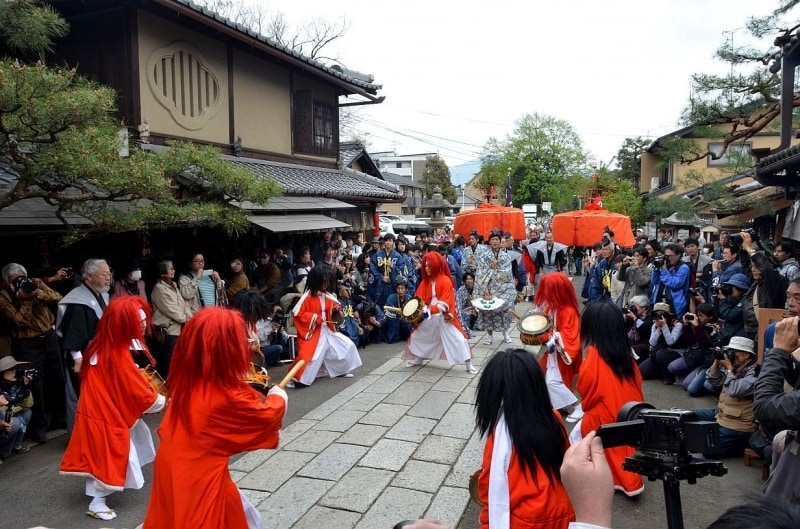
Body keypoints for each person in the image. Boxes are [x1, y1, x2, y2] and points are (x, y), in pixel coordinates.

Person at [142, 307, 287, 529]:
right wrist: (278, 396)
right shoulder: (222, 395)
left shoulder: (190, 381)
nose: (246, 340)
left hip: (176, 464)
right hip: (198, 474)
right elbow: (266, 417)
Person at [60, 296, 166, 521]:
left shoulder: (104, 344)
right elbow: (136, 391)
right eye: (140, 321)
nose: (144, 324)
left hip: (99, 409)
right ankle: (97, 501)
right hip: (105, 414)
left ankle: (101, 493)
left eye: (144, 319)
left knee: (124, 445)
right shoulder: (115, 353)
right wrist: (163, 401)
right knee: (112, 455)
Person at [473, 348, 575, 528]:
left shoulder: (500, 435)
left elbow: (488, 485)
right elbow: (566, 461)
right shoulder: (553, 417)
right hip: (564, 509)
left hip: (527, 520)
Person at [570, 301, 644, 497]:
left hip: (607, 419)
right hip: (632, 416)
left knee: (582, 429)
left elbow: (585, 389)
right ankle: (628, 479)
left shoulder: (595, 354)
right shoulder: (626, 354)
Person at [0, 262, 65, 442]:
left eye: (22, 278)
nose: (21, 282)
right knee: (34, 384)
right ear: (7, 282)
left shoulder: (35, 283)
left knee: (57, 378)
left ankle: (61, 418)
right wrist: (26, 301)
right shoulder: (3, 297)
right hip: (27, 343)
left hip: (49, 337)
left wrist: (37, 292)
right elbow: (20, 320)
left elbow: (58, 297)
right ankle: (38, 427)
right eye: (15, 280)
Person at [56, 258, 112, 434]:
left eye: (109, 273)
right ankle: (81, 435)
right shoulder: (77, 301)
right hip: (82, 357)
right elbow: (73, 335)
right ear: (89, 277)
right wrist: (77, 359)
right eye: (104, 274)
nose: (108, 277)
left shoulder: (102, 295)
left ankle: (99, 431)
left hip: (100, 355)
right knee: (83, 397)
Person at [402, 252, 476, 374]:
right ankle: (419, 358)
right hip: (428, 314)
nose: (426, 268)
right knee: (419, 334)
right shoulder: (424, 282)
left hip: (443, 314)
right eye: (425, 266)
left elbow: (445, 301)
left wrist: (431, 309)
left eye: (428, 265)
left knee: (458, 338)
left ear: (435, 265)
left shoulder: (446, 280)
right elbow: (418, 299)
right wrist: (418, 309)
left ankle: (469, 364)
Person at [289, 266, 362, 387]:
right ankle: (300, 379)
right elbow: (298, 314)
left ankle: (340, 370)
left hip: (328, 329)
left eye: (327, 282)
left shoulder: (328, 295)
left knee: (346, 346)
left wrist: (334, 309)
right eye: (323, 282)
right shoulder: (307, 297)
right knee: (311, 355)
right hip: (314, 331)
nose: (325, 284)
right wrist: (315, 318)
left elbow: (331, 311)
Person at [692, 336, 758, 458]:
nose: (730, 355)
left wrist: (729, 369)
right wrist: (716, 362)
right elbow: (713, 381)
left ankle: (743, 444)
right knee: (689, 415)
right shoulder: (737, 368)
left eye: (733, 352)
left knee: (708, 451)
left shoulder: (755, 374)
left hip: (739, 425)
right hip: (722, 414)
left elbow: (734, 390)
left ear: (746, 355)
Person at [534, 273, 583, 423]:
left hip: (562, 353)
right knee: (548, 380)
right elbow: (545, 326)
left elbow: (570, 336)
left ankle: (577, 405)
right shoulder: (552, 307)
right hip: (554, 353)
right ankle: (568, 407)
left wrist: (553, 336)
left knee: (552, 382)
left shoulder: (568, 311)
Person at [150, 260, 193, 379]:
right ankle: (166, 382)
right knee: (169, 358)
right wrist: (186, 319)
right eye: (170, 268)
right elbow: (170, 309)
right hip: (169, 328)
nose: (173, 270)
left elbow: (183, 304)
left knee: (180, 357)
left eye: (173, 268)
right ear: (162, 273)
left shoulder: (174, 285)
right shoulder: (159, 288)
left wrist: (190, 318)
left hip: (180, 327)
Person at [474, 229, 516, 345]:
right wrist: (484, 287)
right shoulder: (484, 256)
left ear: (500, 241)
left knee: (504, 311)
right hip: (489, 288)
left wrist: (493, 272)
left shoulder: (506, 257)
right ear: (490, 242)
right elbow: (481, 272)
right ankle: (489, 336)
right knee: (488, 312)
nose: (495, 242)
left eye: (497, 239)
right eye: (493, 240)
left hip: (503, 288)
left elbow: (507, 272)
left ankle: (505, 333)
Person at [638, 302, 687, 384]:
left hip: (677, 353)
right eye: (656, 315)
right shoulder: (655, 325)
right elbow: (652, 343)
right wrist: (658, 329)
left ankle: (669, 377)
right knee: (642, 371)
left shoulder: (677, 324)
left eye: (661, 315)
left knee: (661, 354)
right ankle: (661, 372)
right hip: (661, 354)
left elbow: (670, 342)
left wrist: (664, 326)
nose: (658, 317)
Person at [0, 355, 34, 459]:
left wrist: (25, 388)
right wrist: (17, 406)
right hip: (2, 418)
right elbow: (3, 411)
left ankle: (16, 446)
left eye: (15, 368)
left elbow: (28, 405)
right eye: (10, 369)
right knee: (16, 423)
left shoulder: (17, 383)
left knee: (27, 413)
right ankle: (3, 453)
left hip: (9, 414)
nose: (14, 372)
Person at [383, 277, 413, 344]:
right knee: (391, 339)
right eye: (398, 288)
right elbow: (387, 312)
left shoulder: (409, 298)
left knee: (410, 333)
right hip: (394, 321)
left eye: (402, 288)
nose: (400, 291)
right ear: (396, 289)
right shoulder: (391, 298)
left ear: (406, 289)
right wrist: (396, 314)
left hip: (405, 321)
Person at [455, 271, 478, 339]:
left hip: (476, 308)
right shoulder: (460, 291)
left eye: (471, 279)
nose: (469, 281)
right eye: (467, 279)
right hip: (464, 310)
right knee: (465, 314)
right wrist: (471, 308)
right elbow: (459, 307)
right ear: (464, 281)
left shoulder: (476, 289)